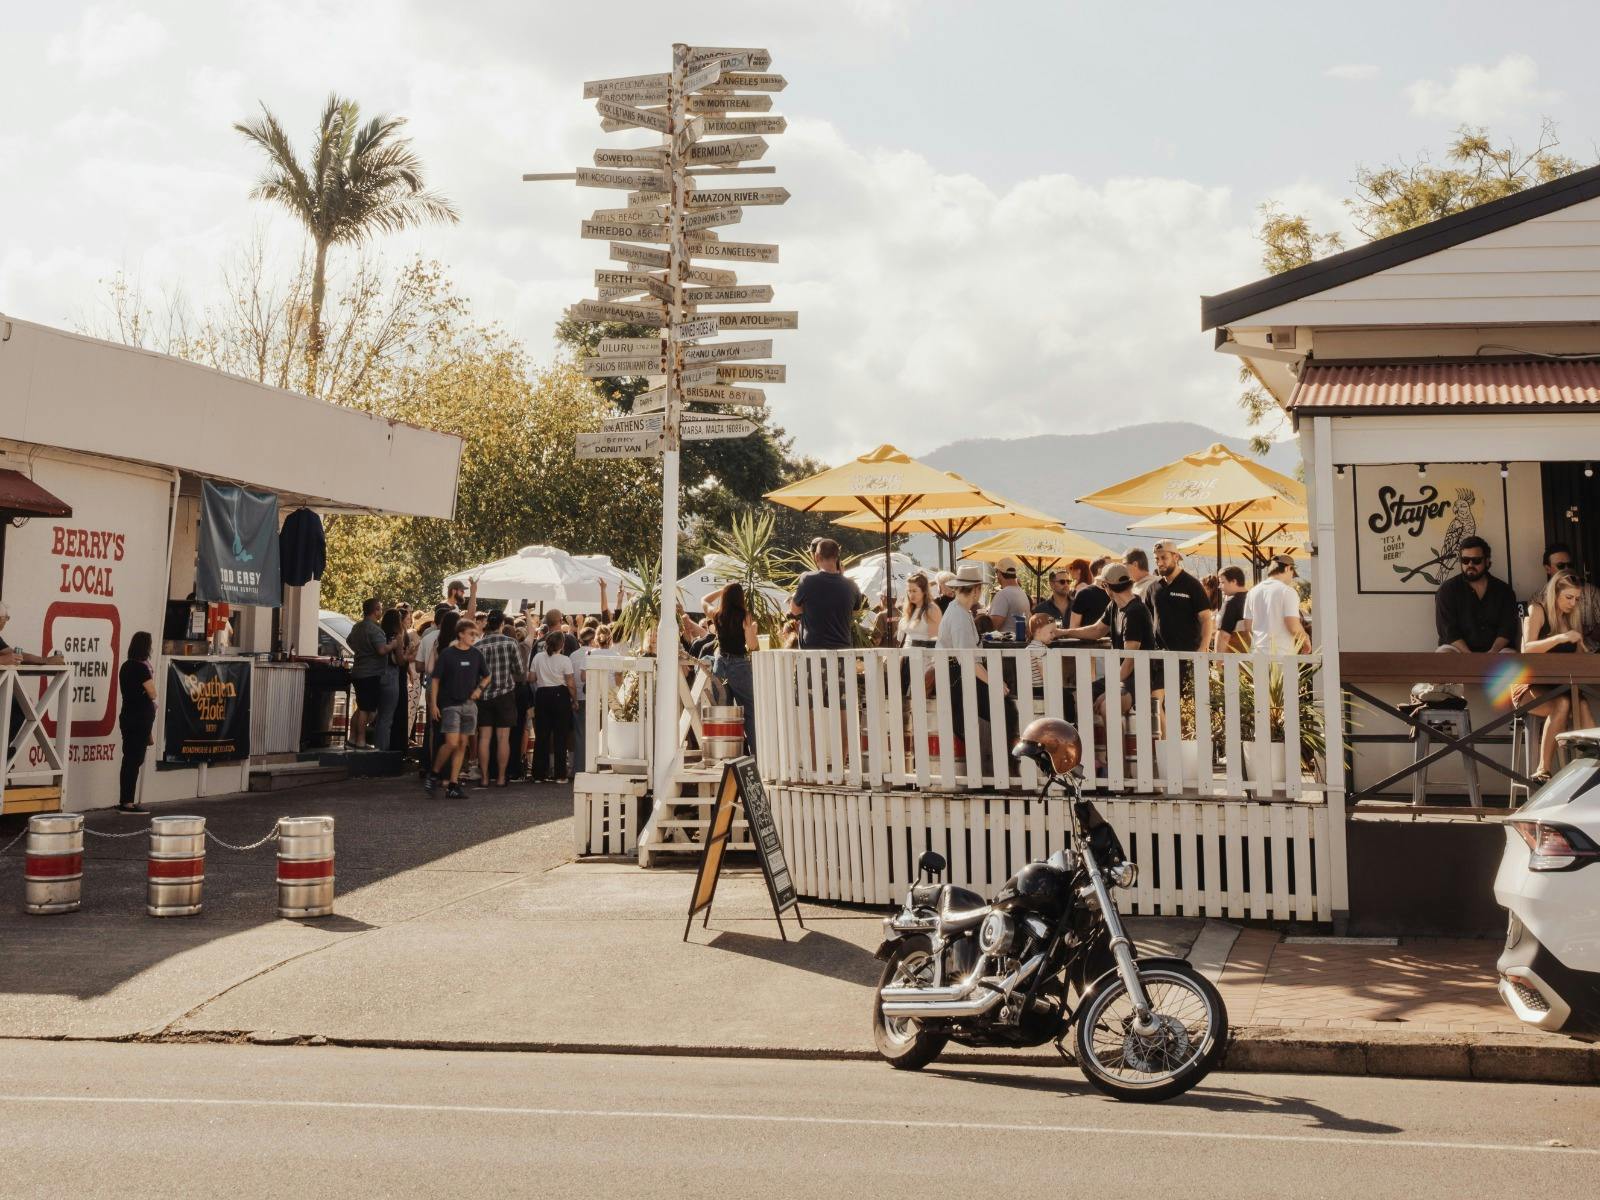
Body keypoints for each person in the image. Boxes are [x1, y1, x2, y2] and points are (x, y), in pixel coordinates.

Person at [1516, 572, 1594, 781]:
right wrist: (1561, 637)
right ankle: (1543, 769)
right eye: (1568, 597)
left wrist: (1583, 651)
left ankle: (1593, 767)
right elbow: (1527, 649)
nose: (1573, 603)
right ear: (1554, 593)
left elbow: (1578, 659)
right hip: (1528, 685)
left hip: (1559, 685)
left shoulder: (1571, 619)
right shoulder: (1537, 610)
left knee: (1583, 704)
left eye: (1577, 599)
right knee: (1562, 704)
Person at [931, 563, 1018, 744]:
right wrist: (994, 682)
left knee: (1005, 709)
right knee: (1006, 710)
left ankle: (1007, 754)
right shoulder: (959, 615)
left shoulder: (960, 611)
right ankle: (1010, 755)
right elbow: (967, 660)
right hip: (957, 675)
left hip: (956, 673)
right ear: (976, 590)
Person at [1058, 563, 1152, 722]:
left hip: (1140, 677)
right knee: (1077, 696)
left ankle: (1115, 747)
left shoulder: (1135, 612)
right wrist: (1065, 632)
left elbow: (1130, 662)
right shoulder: (1115, 605)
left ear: (1106, 586)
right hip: (1122, 676)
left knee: (1108, 706)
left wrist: (1109, 690)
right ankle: (1085, 743)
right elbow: (1097, 630)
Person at [425, 617, 489, 799]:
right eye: (471, 634)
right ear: (460, 634)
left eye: (476, 634)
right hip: (451, 704)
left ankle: (453, 784)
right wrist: (434, 704)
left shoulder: (476, 654)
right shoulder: (447, 654)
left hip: (469, 706)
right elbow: (436, 679)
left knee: (462, 744)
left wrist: (479, 689)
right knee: (451, 743)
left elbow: (487, 676)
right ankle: (434, 773)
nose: (474, 637)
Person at [1434, 535, 1518, 654]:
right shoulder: (1447, 590)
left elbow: (1507, 628)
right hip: (1458, 649)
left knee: (1509, 656)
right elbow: (1448, 630)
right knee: (1443, 654)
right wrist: (1469, 655)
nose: (1470, 565)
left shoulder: (1504, 591)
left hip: (1496, 650)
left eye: (1476, 560)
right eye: (1465, 560)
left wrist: (1493, 651)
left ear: (1487, 561)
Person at [707, 582, 760, 757]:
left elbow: (703, 600)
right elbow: (752, 646)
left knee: (723, 711)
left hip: (720, 665)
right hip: (739, 665)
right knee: (750, 712)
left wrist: (721, 591)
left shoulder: (717, 614)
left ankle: (724, 755)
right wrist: (752, 630)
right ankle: (756, 756)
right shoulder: (745, 616)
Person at [473, 610, 522, 788]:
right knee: (503, 738)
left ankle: (485, 777)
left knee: (484, 738)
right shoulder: (510, 643)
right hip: (505, 694)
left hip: (484, 695)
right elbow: (518, 670)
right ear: (502, 624)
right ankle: (501, 777)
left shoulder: (478, 646)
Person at [790, 538, 861, 650]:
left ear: (817, 557)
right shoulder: (852, 585)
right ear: (837, 558)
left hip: (813, 654)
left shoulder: (807, 579)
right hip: (842, 652)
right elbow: (854, 611)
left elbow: (794, 610)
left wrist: (812, 608)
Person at [346, 598, 397, 750]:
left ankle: (353, 738)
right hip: (370, 673)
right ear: (375, 611)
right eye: (380, 609)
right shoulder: (375, 629)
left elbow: (349, 641)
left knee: (362, 706)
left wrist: (361, 651)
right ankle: (361, 740)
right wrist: (392, 645)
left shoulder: (357, 626)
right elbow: (382, 650)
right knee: (367, 710)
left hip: (358, 671)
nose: (381, 612)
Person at [116, 631, 158, 813]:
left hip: (127, 715)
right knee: (135, 759)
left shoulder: (125, 666)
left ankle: (125, 799)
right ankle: (128, 802)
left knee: (128, 758)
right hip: (141, 718)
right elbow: (152, 692)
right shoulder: (142, 669)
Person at [1149, 541, 1213, 655]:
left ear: (1176, 557)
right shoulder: (1153, 587)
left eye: (1164, 558)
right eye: (1156, 559)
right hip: (1159, 658)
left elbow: (1206, 618)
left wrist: (1203, 649)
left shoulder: (1192, 585)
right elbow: (1148, 619)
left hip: (1188, 656)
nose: (1159, 563)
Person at [530, 630, 577, 783]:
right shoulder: (565, 660)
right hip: (560, 694)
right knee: (560, 736)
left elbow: (531, 678)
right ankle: (560, 774)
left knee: (542, 736)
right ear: (562, 645)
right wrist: (574, 699)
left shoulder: (538, 657)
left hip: (542, 694)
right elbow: (570, 683)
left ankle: (538, 774)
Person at [1240, 555, 1311, 654]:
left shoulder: (1252, 592)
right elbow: (1293, 626)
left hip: (1257, 654)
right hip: (1281, 654)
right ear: (1287, 568)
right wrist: (1306, 639)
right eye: (1292, 573)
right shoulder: (1287, 591)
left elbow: (1248, 627)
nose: (1292, 578)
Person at [373, 609, 405, 753]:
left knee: (379, 716)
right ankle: (382, 751)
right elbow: (399, 660)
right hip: (391, 675)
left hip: (377, 674)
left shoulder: (379, 634)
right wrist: (408, 656)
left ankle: (375, 746)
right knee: (387, 718)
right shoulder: (398, 636)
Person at [986, 557, 1031, 635]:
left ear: (999, 573)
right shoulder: (1022, 593)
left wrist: (981, 619)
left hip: (1004, 644)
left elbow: (994, 625)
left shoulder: (1003, 594)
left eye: (996, 572)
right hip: (1018, 643)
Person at [898, 571, 941, 647]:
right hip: (906, 655)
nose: (911, 594)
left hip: (923, 656)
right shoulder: (910, 610)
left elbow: (934, 641)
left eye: (914, 591)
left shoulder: (931, 609)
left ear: (924, 591)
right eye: (909, 591)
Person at [1069, 558, 1111, 629]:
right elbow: (1073, 626)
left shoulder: (1116, 593)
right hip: (1088, 639)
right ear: (1100, 570)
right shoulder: (1084, 593)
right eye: (1109, 566)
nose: (1113, 569)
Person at [1215, 566, 1249, 652]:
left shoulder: (1231, 603)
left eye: (1222, 582)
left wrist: (1218, 662)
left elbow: (1223, 636)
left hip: (1232, 660)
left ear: (1234, 581)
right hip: (1253, 659)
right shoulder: (1254, 598)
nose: (1219, 586)